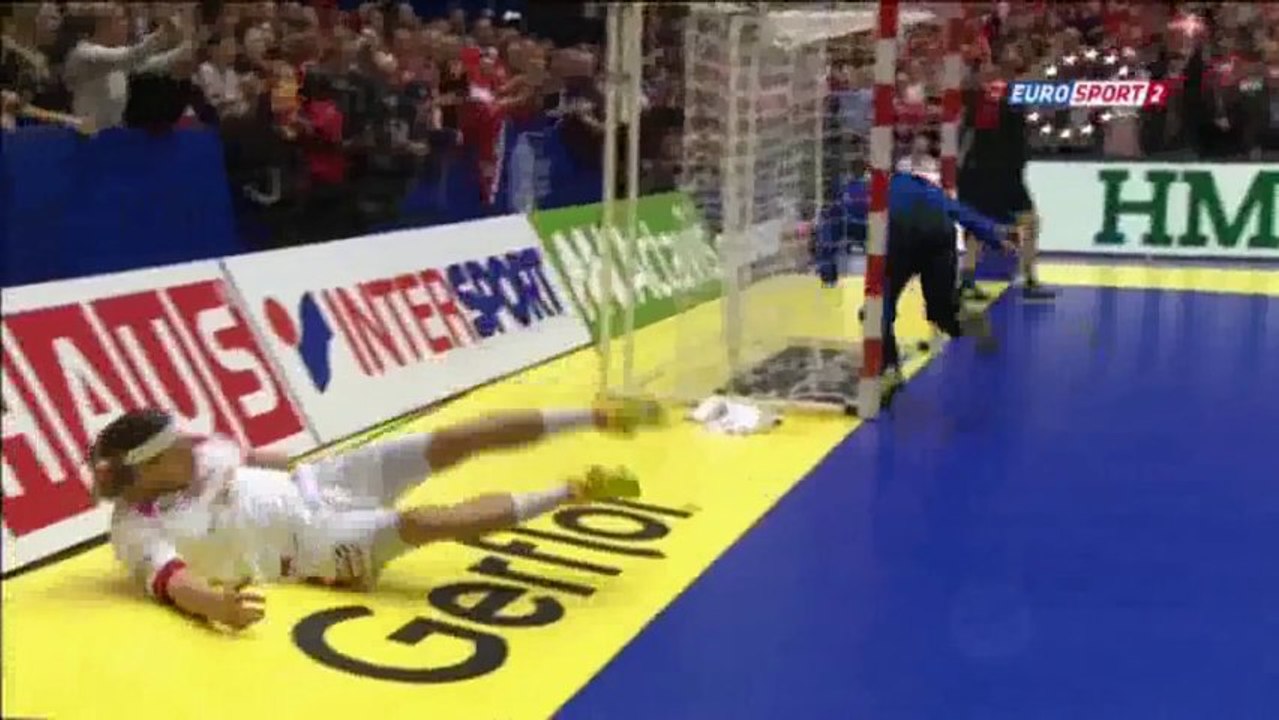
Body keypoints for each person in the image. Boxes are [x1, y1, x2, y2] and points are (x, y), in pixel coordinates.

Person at [91, 399, 664, 631]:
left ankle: (597, 416)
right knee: (426, 524)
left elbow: (248, 459)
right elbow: (172, 580)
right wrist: (216, 605)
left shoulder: (199, 450)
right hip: (313, 545)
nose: (192, 447)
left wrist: (290, 460)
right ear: (149, 468)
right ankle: (574, 491)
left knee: (451, 440)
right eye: (176, 449)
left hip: (319, 482)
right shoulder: (137, 530)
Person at [815, 168, 1019, 407]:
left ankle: (889, 371)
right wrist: (995, 235)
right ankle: (963, 321)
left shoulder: (851, 196)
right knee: (940, 314)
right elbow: (957, 210)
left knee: (876, 311)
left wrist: (827, 268)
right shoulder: (916, 183)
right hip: (939, 235)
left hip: (900, 238)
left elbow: (830, 228)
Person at [957, 51, 1056, 302]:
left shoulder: (979, 102)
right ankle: (1029, 280)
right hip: (1001, 175)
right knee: (1029, 223)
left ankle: (967, 281)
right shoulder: (1006, 99)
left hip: (977, 173)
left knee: (977, 230)